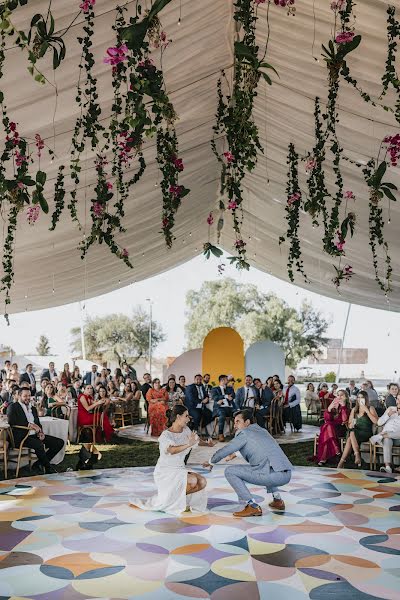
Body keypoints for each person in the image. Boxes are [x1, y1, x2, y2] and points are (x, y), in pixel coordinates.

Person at [204, 410, 292, 517]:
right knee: (265, 466)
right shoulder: (262, 431)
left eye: (238, 422)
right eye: (234, 422)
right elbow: (259, 448)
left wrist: (211, 461)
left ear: (247, 422)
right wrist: (235, 455)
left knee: (230, 471)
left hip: (272, 476)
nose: (235, 425)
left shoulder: (244, 433)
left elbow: (226, 449)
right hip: (286, 474)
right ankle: (277, 500)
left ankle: (252, 506)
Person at [130, 405, 215, 515]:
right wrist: (188, 444)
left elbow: (196, 440)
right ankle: (172, 502)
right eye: (186, 416)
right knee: (192, 481)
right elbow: (171, 450)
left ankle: (174, 500)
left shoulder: (186, 430)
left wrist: (208, 444)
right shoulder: (166, 435)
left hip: (179, 469)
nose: (189, 419)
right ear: (178, 417)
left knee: (202, 482)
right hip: (165, 471)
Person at [7, 387, 63, 474]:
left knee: (59, 442)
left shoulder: (32, 408)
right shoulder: (13, 407)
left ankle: (38, 464)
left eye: (29, 396)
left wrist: (41, 432)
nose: (28, 398)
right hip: (21, 437)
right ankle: (48, 468)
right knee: (39, 444)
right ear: (19, 396)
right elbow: (12, 422)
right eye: (25, 396)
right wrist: (30, 425)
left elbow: (37, 422)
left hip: (34, 435)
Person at [338, 390, 378, 468]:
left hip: (365, 433)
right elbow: (349, 425)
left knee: (351, 435)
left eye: (362, 397)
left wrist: (366, 410)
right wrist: (351, 424)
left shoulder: (370, 408)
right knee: (351, 433)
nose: (360, 399)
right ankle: (356, 456)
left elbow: (376, 422)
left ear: (366, 399)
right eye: (358, 397)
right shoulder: (354, 410)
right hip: (355, 431)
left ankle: (342, 462)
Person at [315, 389, 350, 466]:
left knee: (327, 428)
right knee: (328, 426)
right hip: (330, 427)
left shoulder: (347, 407)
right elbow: (327, 419)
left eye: (342, 395)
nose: (339, 397)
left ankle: (323, 458)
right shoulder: (333, 404)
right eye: (338, 395)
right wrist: (329, 409)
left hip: (340, 428)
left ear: (346, 397)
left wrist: (343, 406)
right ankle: (335, 448)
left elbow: (344, 420)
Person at [370, 392, 400, 474]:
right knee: (387, 439)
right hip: (388, 436)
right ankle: (388, 467)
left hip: (398, 437)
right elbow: (379, 423)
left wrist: (388, 434)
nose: (398, 401)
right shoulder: (390, 409)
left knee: (387, 436)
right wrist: (388, 415)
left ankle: (381, 436)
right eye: (397, 399)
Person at [211, 374, 236, 442]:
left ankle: (236, 432)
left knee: (238, 414)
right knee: (222, 414)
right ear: (222, 380)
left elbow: (233, 395)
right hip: (220, 408)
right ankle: (220, 434)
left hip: (230, 407)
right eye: (226, 379)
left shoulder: (230, 388)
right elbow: (215, 397)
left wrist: (229, 396)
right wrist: (225, 396)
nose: (228, 381)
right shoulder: (215, 389)